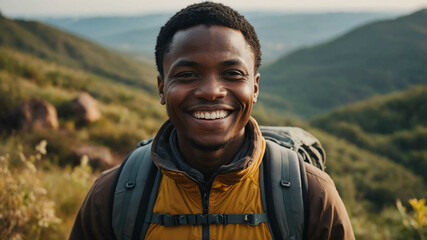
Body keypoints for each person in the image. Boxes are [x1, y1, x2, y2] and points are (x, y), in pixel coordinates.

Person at [69, 2, 355, 240]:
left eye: (232, 74)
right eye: (187, 75)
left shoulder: (311, 194)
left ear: (254, 88)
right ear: (161, 88)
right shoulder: (112, 196)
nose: (211, 91)